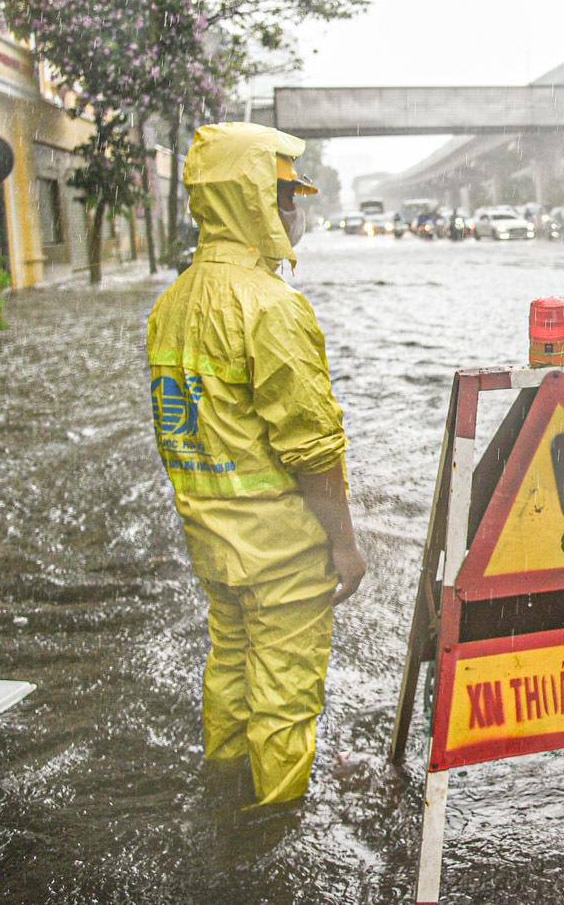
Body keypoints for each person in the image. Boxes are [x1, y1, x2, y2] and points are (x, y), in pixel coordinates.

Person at [146, 121, 366, 808]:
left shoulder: (171, 303)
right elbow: (313, 447)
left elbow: (183, 427)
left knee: (231, 677)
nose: (295, 212)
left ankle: (224, 801)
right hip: (281, 551)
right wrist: (344, 544)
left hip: (213, 543)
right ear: (254, 202)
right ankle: (272, 830)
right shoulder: (271, 307)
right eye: (285, 196)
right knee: (284, 701)